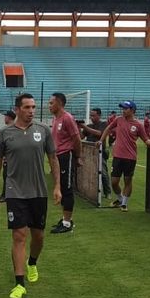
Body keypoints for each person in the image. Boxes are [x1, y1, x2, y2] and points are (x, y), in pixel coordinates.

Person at [0, 93, 61, 298]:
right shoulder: (4, 134)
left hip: (38, 192)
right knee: (19, 235)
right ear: (18, 109)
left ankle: (32, 263)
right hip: (15, 192)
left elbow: (53, 159)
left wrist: (57, 186)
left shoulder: (43, 131)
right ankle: (19, 283)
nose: (31, 111)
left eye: (33, 107)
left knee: (38, 236)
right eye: (27, 107)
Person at [98, 101, 150, 212]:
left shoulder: (138, 125)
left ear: (132, 110)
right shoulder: (118, 120)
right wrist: (101, 140)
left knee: (128, 181)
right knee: (114, 182)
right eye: (122, 108)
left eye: (125, 108)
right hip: (117, 156)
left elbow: (145, 139)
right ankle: (120, 199)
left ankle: (124, 203)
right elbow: (108, 128)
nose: (123, 110)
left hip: (130, 157)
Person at [48, 92, 82, 234]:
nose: (49, 105)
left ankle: (67, 223)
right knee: (61, 187)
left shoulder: (67, 118)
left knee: (66, 189)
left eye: (51, 103)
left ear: (60, 103)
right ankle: (64, 219)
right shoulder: (55, 119)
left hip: (65, 156)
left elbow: (77, 139)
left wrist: (77, 156)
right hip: (57, 157)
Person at [79, 107, 111, 198]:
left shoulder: (104, 124)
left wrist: (84, 127)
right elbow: (81, 137)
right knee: (90, 172)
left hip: (101, 153)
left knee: (103, 173)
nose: (91, 117)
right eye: (90, 116)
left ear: (99, 115)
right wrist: (78, 128)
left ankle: (107, 192)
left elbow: (99, 133)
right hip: (90, 153)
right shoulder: (89, 126)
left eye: (93, 115)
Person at [0, 110, 16, 201]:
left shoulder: (7, 130)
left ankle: (5, 195)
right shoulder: (14, 128)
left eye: (5, 116)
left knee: (7, 177)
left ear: (9, 117)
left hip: (10, 159)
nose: (4, 118)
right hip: (12, 159)